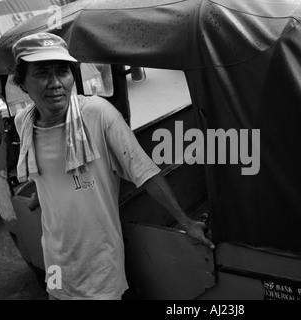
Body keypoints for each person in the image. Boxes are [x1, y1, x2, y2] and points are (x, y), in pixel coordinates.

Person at [11, 32, 214, 300]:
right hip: (55, 257)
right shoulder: (24, 122)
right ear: (22, 83)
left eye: (62, 71)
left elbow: (144, 171)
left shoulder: (97, 114)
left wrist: (185, 222)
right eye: (41, 73)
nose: (55, 83)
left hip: (100, 261)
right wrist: (43, 188)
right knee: (56, 294)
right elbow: (46, 167)